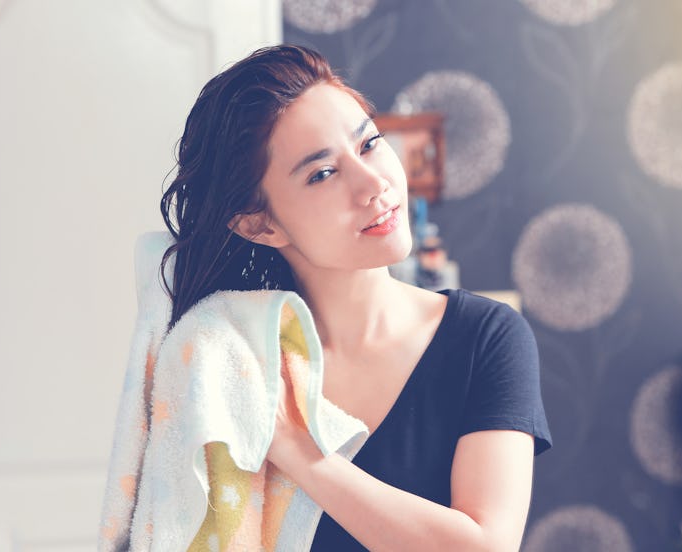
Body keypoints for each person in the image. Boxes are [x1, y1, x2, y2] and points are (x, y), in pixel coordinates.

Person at [158, 44, 551, 551]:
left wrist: (294, 449)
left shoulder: (487, 337)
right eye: (322, 174)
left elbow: (485, 546)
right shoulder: (235, 363)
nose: (374, 184)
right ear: (261, 223)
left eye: (369, 144)